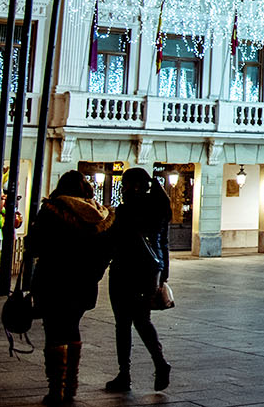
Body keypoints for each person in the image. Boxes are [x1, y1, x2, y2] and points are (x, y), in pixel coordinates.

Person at [26, 170, 113, 406]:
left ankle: (56, 389)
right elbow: (106, 252)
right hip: (83, 284)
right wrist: (93, 275)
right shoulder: (99, 214)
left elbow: (34, 245)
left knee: (54, 332)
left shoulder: (52, 210)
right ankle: (71, 387)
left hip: (53, 281)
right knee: (72, 328)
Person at [104, 168, 172, 393]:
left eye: (124, 185)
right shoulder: (159, 208)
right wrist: (163, 274)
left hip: (124, 271)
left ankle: (124, 374)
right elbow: (163, 243)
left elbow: (115, 241)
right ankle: (159, 362)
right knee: (143, 320)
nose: (122, 190)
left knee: (122, 324)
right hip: (149, 274)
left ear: (133, 186)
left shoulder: (127, 210)